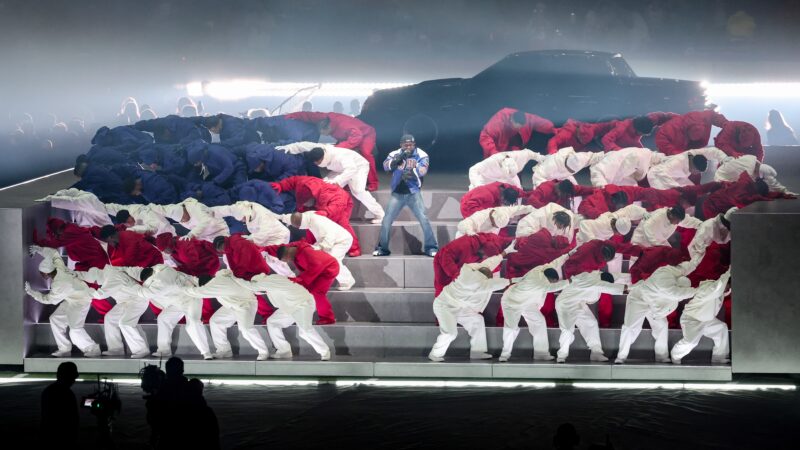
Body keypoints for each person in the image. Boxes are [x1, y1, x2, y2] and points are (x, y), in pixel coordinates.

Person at [428, 254, 510, 361]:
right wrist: (517, 280)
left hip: (460, 307)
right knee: (450, 333)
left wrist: (503, 253)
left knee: (477, 320)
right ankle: (435, 353)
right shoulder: (477, 284)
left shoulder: (471, 271)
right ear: (484, 279)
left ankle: (477, 352)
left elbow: (489, 263)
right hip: (445, 307)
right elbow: (498, 284)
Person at [279, 141, 385, 223]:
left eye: (318, 162)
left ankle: (380, 214)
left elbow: (351, 169)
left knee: (358, 191)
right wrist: (288, 148)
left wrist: (338, 180)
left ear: (322, 157)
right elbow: (304, 145)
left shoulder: (340, 156)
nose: (317, 164)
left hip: (358, 166)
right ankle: (328, 212)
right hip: (340, 169)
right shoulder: (319, 148)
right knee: (325, 184)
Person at [26, 246, 101, 357]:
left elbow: (49, 300)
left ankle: (93, 349)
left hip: (81, 301)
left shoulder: (60, 284)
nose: (40, 275)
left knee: (75, 329)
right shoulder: (58, 266)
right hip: (72, 298)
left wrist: (32, 293)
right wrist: (39, 249)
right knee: (55, 319)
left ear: (46, 274)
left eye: (41, 273)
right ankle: (64, 349)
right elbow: (54, 253)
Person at [235, 274, 331, 360]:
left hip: (302, 304)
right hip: (290, 307)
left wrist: (234, 278)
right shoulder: (270, 284)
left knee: (305, 330)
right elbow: (257, 290)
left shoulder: (271, 280)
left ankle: (324, 351)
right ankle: (284, 351)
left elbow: (251, 286)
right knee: (273, 322)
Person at [615, 263, 696, 364]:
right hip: (638, 299)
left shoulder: (673, 292)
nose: (681, 293)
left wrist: (695, 261)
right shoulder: (668, 287)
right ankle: (621, 356)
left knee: (662, 325)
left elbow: (685, 269)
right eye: (681, 289)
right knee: (629, 327)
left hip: (653, 305)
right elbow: (679, 294)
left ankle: (661, 356)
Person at [33, 217, 113, 317]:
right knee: (78, 285)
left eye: (53, 232)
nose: (55, 235)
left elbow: (54, 243)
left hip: (95, 263)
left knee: (89, 291)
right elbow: (57, 241)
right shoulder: (70, 230)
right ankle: (105, 313)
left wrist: (37, 241)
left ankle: (108, 313)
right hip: (90, 263)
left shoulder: (69, 232)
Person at [373, 134, 438, 257]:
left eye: (411, 144)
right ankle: (383, 248)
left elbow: (423, 170)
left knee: (424, 219)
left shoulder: (421, 154)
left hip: (413, 192)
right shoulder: (395, 153)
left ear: (414, 144)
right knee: (386, 220)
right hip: (397, 192)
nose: (409, 147)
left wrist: (412, 172)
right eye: (406, 145)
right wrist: (396, 161)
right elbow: (385, 166)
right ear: (401, 145)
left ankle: (431, 247)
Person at [183, 271, 270, 360]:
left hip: (245, 305)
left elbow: (199, 292)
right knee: (216, 321)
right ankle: (224, 350)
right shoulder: (216, 280)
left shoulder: (217, 284)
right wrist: (186, 276)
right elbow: (197, 281)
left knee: (246, 328)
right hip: (231, 305)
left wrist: (181, 288)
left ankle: (263, 351)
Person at [498, 254, 569, 362]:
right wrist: (570, 282)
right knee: (511, 328)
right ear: (549, 279)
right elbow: (554, 287)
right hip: (512, 302)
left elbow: (556, 262)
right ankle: (505, 354)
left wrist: (568, 255)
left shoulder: (542, 268)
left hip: (528, 302)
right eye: (553, 281)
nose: (554, 283)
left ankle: (541, 353)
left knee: (539, 322)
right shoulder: (539, 283)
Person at [286, 111, 380, 190]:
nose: (326, 136)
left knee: (366, 153)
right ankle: (347, 181)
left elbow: (357, 136)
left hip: (365, 134)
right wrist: (295, 115)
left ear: (329, 128)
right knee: (338, 154)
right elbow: (309, 115)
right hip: (347, 136)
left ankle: (373, 183)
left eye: (326, 134)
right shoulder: (323, 117)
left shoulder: (344, 125)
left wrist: (340, 147)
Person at [135, 265, 213, 359]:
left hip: (190, 298)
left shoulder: (161, 278)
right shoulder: (161, 272)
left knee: (193, 323)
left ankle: (206, 353)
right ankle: (164, 351)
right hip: (176, 303)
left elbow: (147, 294)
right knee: (163, 318)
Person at [272, 175, 361, 256]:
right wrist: (281, 185)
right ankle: (310, 246)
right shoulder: (303, 182)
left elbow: (339, 202)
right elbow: (293, 180)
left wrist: (327, 212)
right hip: (320, 206)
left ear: (312, 197)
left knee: (342, 224)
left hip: (341, 205)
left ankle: (354, 248)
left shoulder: (328, 193)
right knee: (310, 224)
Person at [75, 265, 152, 358]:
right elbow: (86, 275)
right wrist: (73, 274)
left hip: (137, 300)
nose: (96, 283)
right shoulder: (106, 274)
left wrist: (84, 293)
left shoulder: (113, 276)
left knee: (125, 323)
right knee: (110, 318)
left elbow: (100, 294)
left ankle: (141, 350)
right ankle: (116, 349)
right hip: (125, 302)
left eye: (95, 281)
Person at [555, 271, 625, 362]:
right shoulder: (592, 280)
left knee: (591, 323)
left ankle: (596, 353)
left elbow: (615, 277)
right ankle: (561, 355)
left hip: (579, 303)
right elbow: (606, 289)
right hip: (565, 304)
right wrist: (629, 287)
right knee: (567, 330)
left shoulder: (597, 276)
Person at [264, 242, 340, 325]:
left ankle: (328, 318)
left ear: (288, 255)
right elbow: (278, 248)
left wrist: (299, 280)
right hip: (317, 269)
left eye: (287, 260)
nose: (289, 261)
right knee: (304, 291)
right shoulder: (292, 248)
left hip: (328, 269)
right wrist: (263, 248)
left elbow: (316, 266)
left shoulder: (307, 252)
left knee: (317, 293)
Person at [281, 211, 355, 290]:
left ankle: (347, 281)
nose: (299, 227)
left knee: (334, 260)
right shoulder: (307, 217)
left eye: (299, 225)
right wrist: (282, 217)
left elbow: (330, 234)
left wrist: (321, 246)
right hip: (326, 240)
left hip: (342, 240)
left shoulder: (317, 222)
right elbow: (292, 218)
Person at [671, 271, 731, 364]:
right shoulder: (708, 288)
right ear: (724, 283)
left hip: (707, 320)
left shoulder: (718, 291)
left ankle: (719, 357)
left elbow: (721, 290)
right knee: (691, 342)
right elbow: (718, 287)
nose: (727, 289)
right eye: (727, 286)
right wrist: (728, 273)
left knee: (721, 328)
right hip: (692, 319)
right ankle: (675, 355)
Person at [213, 234, 277, 319]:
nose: (222, 252)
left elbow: (243, 262)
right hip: (249, 272)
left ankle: (268, 314)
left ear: (222, 245)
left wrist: (235, 278)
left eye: (221, 250)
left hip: (255, 271)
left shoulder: (237, 243)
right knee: (251, 294)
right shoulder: (230, 245)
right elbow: (235, 265)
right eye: (221, 251)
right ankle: (267, 314)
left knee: (256, 292)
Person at [479, 108, 555, 158]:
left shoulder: (527, 118)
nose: (518, 129)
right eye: (516, 127)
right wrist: (494, 153)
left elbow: (539, 122)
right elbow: (485, 136)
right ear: (511, 120)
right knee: (493, 174)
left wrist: (553, 129)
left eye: (520, 127)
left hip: (513, 148)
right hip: (496, 148)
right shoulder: (499, 121)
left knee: (514, 171)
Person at [212, 201, 290, 248]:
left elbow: (263, 234)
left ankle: (289, 275)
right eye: (242, 219)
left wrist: (243, 240)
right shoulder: (242, 207)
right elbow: (227, 209)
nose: (243, 221)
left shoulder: (263, 217)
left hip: (279, 236)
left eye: (244, 219)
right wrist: (208, 211)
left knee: (271, 259)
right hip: (261, 237)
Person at [646, 147, 729, 190]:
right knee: (671, 195)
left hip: (676, 176)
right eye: (698, 171)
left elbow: (713, 151)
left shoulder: (695, 154)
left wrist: (724, 158)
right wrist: (677, 188)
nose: (697, 174)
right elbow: (661, 172)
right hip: (657, 175)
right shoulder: (678, 162)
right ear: (694, 167)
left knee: (691, 190)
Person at [150, 198, 230, 242]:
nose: (184, 221)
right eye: (182, 221)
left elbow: (206, 220)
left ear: (185, 211)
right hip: (205, 236)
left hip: (219, 229)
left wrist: (191, 234)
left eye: (184, 218)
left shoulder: (196, 207)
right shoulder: (173, 210)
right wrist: (147, 208)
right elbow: (161, 209)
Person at [654, 110, 729, 155]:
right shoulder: (666, 132)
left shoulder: (705, 117)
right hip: (672, 155)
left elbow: (713, 116)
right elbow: (667, 150)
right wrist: (686, 156)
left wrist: (726, 125)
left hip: (684, 150)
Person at [41, 362, 80, 448]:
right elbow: (72, 418)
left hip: (49, 436)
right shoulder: (67, 393)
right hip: (63, 437)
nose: (74, 380)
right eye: (73, 377)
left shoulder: (48, 391)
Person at [714, 154, 795, 195]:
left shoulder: (751, 158)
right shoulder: (747, 174)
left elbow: (771, 181)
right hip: (720, 179)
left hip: (725, 172)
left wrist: (784, 191)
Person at [589, 147, 668, 187]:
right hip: (607, 177)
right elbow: (598, 172)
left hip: (619, 176)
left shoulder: (644, 155)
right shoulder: (639, 157)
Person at [468, 149, 542, 189]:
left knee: (518, 189)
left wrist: (540, 158)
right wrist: (478, 185)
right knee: (476, 190)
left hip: (509, 177)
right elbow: (473, 169)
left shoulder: (516, 156)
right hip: (487, 178)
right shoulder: (492, 161)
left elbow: (528, 153)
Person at [531, 147, 604, 188]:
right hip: (544, 178)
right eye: (569, 169)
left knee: (574, 188)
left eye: (572, 171)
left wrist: (607, 155)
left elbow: (594, 157)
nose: (570, 171)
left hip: (564, 176)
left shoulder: (581, 158)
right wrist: (552, 188)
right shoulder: (550, 165)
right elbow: (536, 176)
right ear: (566, 165)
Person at [631, 206, 702, 247]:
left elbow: (689, 220)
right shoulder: (659, 215)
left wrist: (702, 225)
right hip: (641, 241)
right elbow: (646, 227)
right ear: (671, 215)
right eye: (677, 221)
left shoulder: (675, 216)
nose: (678, 223)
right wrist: (656, 245)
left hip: (658, 242)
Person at [601, 112, 677, 151]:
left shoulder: (640, 128)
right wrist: (618, 150)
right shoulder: (622, 127)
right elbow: (606, 139)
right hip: (612, 153)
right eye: (642, 134)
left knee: (643, 153)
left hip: (624, 149)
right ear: (638, 130)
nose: (642, 135)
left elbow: (634, 142)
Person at [98, 225, 164, 268]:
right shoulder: (120, 238)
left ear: (110, 237)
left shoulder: (128, 239)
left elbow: (130, 261)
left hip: (155, 262)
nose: (109, 244)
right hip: (146, 262)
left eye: (108, 241)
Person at [455, 205, 533, 238]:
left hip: (484, 239)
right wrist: (470, 233)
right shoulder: (479, 216)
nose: (495, 227)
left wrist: (532, 208)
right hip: (467, 236)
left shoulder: (504, 211)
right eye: (495, 225)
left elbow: (519, 209)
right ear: (492, 218)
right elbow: (462, 225)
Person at [196, 113, 262, 151]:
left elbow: (237, 139)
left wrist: (218, 145)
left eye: (212, 131)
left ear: (214, 128)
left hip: (251, 144)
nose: (213, 132)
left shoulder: (231, 124)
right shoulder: (222, 122)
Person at [546, 119, 617, 154]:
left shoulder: (591, 129)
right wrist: (553, 153)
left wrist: (614, 124)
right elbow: (552, 142)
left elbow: (603, 126)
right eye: (580, 141)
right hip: (561, 153)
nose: (582, 142)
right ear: (577, 134)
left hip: (577, 152)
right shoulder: (566, 133)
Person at [524, 179, 594, 211]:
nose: (565, 197)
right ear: (559, 191)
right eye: (564, 195)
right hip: (534, 212)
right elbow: (531, 199)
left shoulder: (567, 188)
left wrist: (598, 190)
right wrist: (547, 210)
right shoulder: (544, 189)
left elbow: (582, 190)